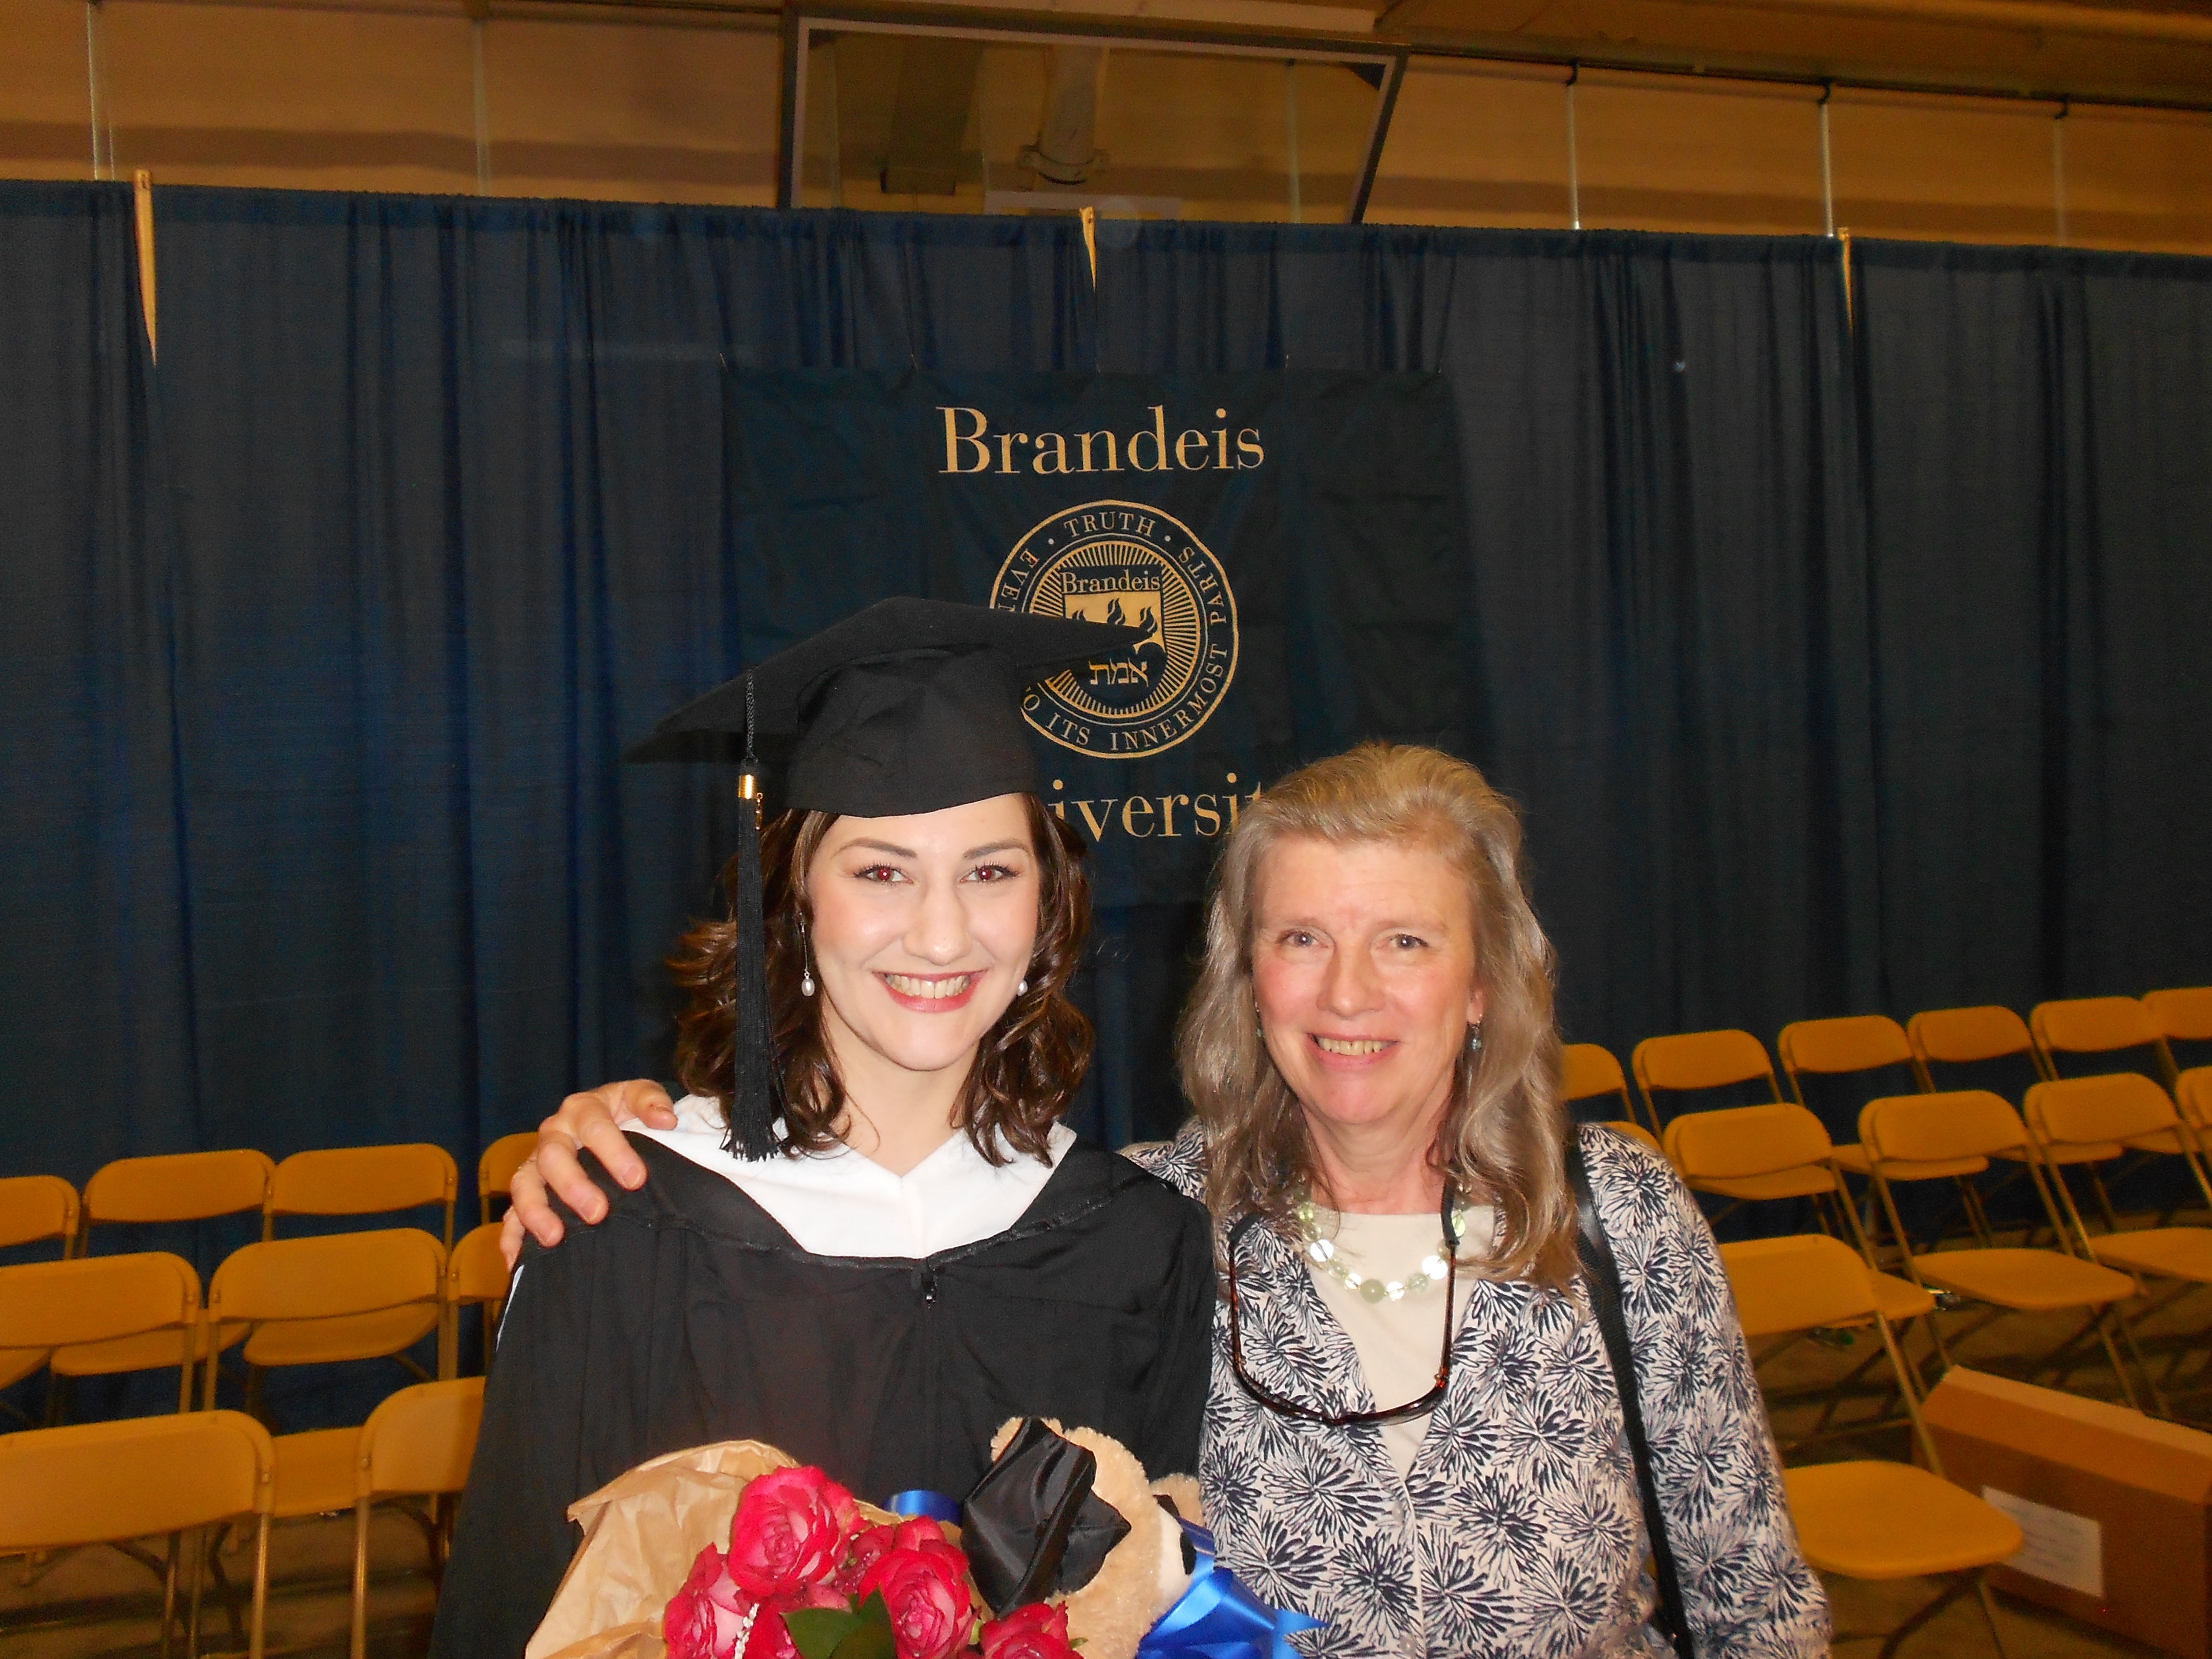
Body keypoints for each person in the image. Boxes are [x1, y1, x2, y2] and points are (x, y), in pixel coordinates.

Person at [513, 742, 1830, 1658]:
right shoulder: (1150, 1231)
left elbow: (1756, 1605)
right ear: (1246, 976)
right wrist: (631, 1129)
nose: (1349, 993)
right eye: (1300, 939)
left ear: (1485, 981)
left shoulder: (1619, 1222)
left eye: (1406, 942)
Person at [434, 600, 1215, 1659]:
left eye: (990, 871)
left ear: (1047, 910)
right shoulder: (624, 1228)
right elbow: (511, 1607)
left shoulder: (1137, 1246)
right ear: (795, 904)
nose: (940, 933)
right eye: (881, 871)